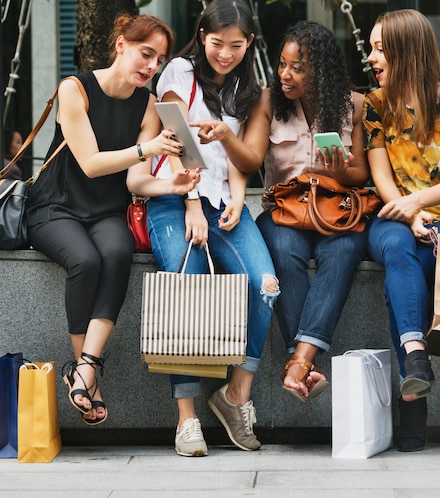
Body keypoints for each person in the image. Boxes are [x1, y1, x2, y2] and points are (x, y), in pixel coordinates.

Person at [127, 0, 280, 457]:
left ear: (249, 43)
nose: (225, 54)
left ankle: (235, 397)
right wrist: (190, 201)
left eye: (236, 45)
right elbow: (175, 137)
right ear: (202, 36)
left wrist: (237, 199)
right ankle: (187, 418)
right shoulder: (178, 70)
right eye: (217, 44)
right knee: (187, 289)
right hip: (174, 199)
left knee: (266, 285)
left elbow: (234, 157)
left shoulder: (246, 88)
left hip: (223, 204)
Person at [194, 21, 370, 402]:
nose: (285, 75)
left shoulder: (354, 105)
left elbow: (361, 175)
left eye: (298, 68)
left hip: (334, 212)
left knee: (342, 253)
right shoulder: (269, 102)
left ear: (320, 71)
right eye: (282, 64)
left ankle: (297, 362)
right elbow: (253, 157)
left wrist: (336, 167)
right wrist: (226, 137)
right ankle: (305, 363)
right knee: (284, 254)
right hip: (284, 211)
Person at [25, 15, 187, 427]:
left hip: (106, 209)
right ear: (121, 45)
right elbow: (93, 163)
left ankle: (83, 371)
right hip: (55, 205)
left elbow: (135, 178)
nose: (151, 66)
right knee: (85, 260)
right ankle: (88, 375)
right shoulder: (74, 89)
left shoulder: (147, 104)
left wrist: (172, 186)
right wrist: (145, 147)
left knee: (116, 252)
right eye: (145, 53)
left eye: (159, 59)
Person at [363, 9, 440, 452]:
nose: (372, 58)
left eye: (380, 49)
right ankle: (415, 360)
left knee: (406, 259)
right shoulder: (375, 105)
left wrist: (419, 205)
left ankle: (413, 381)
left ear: (405, 50)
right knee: (396, 242)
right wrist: (408, 211)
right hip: (394, 216)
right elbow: (381, 175)